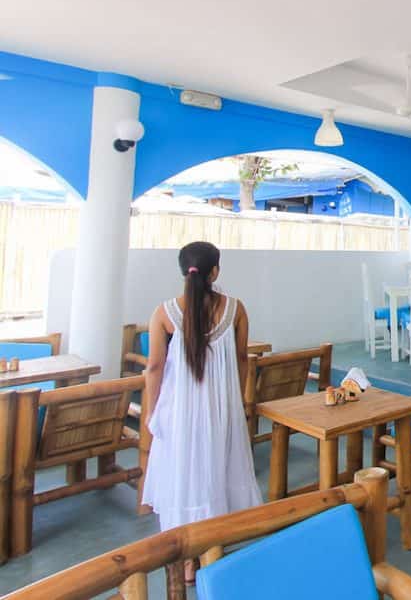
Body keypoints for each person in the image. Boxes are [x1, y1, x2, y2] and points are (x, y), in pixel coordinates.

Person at [141, 242, 262, 583]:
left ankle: (187, 561)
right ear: (215, 272)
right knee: (217, 471)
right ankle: (213, 551)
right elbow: (242, 360)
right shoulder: (236, 310)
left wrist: (152, 412)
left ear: (184, 271)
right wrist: (236, 400)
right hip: (222, 408)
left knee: (183, 476)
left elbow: (154, 368)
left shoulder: (164, 313)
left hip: (179, 411)